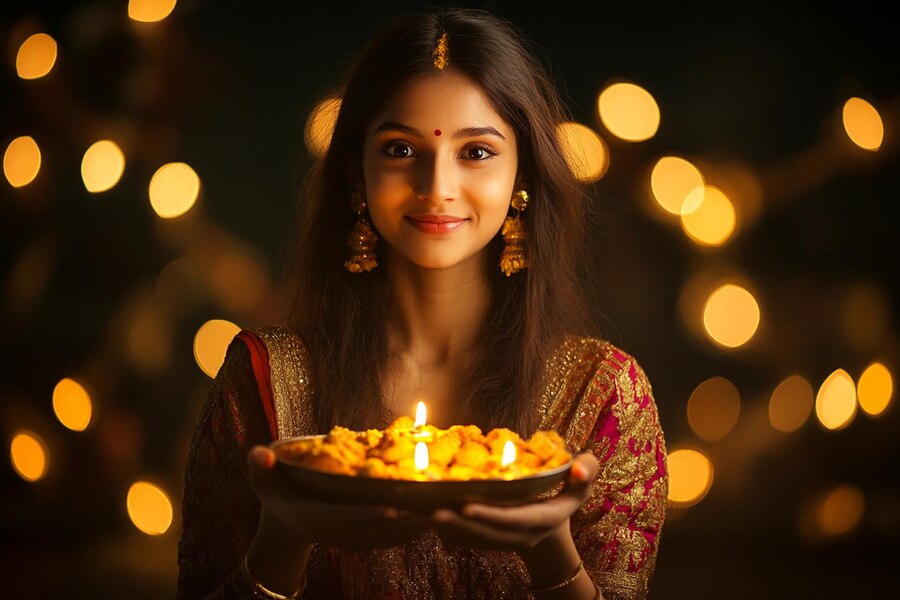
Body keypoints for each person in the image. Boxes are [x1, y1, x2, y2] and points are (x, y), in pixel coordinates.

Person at [177, 8, 668, 600]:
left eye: (477, 152)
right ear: (357, 175)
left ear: (523, 177)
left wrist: (549, 551)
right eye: (401, 150)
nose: (437, 187)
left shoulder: (603, 397)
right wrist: (282, 538)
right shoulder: (266, 380)